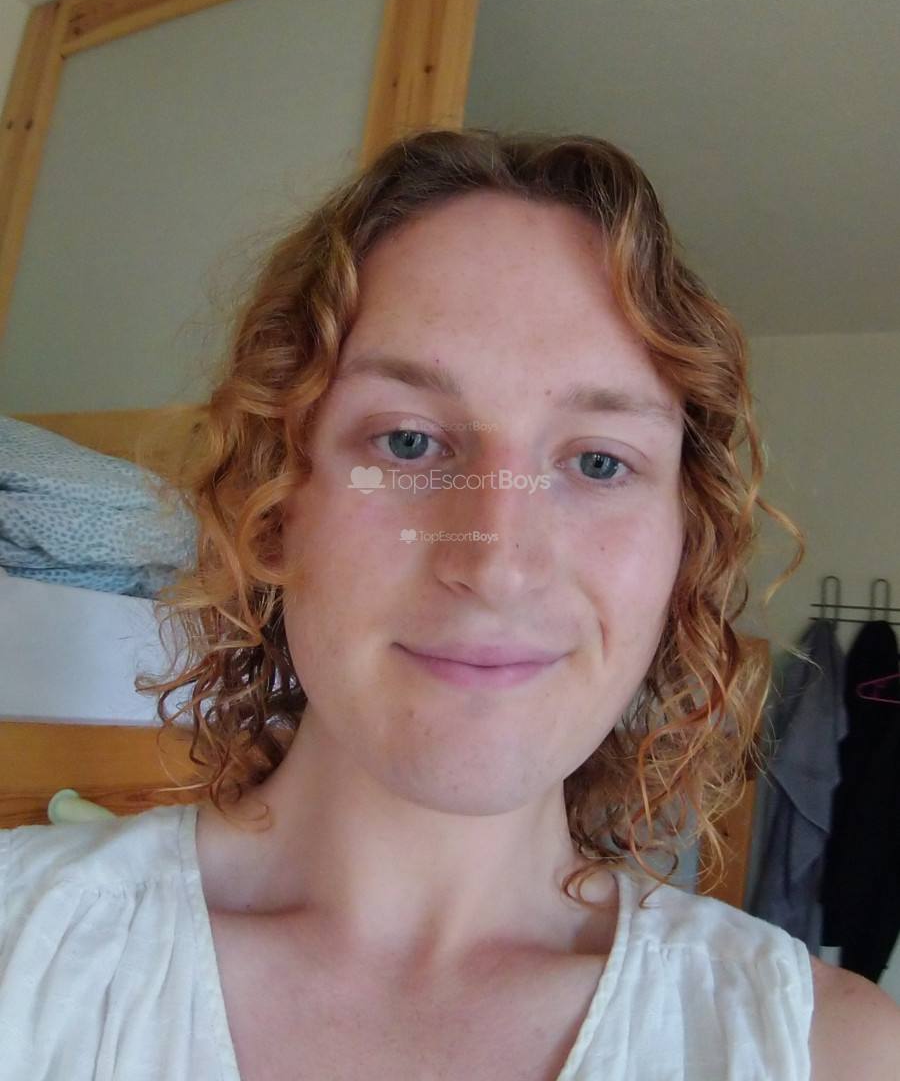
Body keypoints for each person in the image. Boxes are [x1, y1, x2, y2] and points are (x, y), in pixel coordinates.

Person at [1, 130, 898, 1080]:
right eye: (408, 442)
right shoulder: (23, 951)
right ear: (273, 509)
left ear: (684, 551)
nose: (499, 564)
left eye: (600, 462)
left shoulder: (829, 1052)